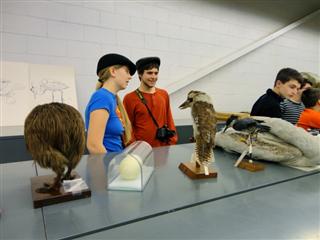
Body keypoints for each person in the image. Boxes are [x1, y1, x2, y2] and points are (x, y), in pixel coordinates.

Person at [85, 53, 136, 154]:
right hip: (108, 166)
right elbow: (94, 146)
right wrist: (111, 169)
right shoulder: (102, 97)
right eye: (127, 71)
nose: (130, 77)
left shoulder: (111, 98)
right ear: (113, 71)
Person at [123, 57, 178, 147]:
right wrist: (134, 148)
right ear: (140, 74)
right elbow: (128, 128)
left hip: (163, 149)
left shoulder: (163, 94)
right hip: (140, 152)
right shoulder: (129, 98)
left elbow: (169, 119)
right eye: (149, 73)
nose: (153, 77)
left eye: (156, 73)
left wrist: (172, 142)